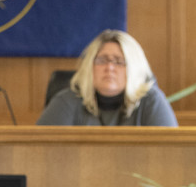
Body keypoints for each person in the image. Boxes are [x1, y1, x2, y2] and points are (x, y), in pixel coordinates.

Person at [36, 29, 178, 126]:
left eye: (118, 61)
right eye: (102, 60)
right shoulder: (66, 101)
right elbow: (40, 151)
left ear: (134, 69)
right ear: (89, 67)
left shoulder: (151, 101)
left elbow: (169, 154)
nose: (109, 67)